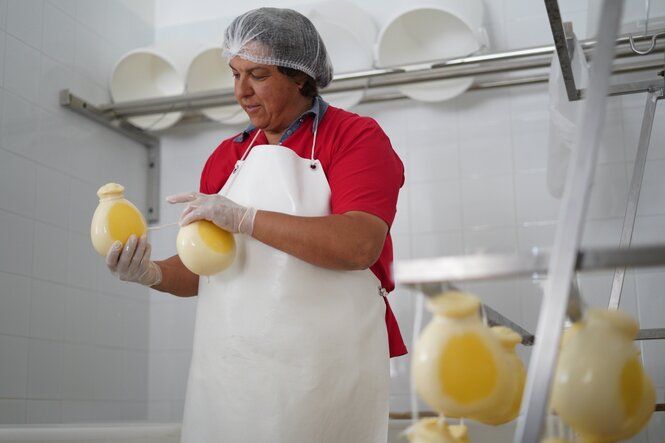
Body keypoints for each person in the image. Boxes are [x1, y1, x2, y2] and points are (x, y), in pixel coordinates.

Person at [105, 7, 406, 443]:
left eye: (258, 75)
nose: (241, 91)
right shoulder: (225, 159)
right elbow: (204, 268)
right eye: (235, 74)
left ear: (301, 77)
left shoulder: (355, 137)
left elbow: (359, 245)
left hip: (324, 371)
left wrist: (245, 218)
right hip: (232, 371)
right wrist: (149, 273)